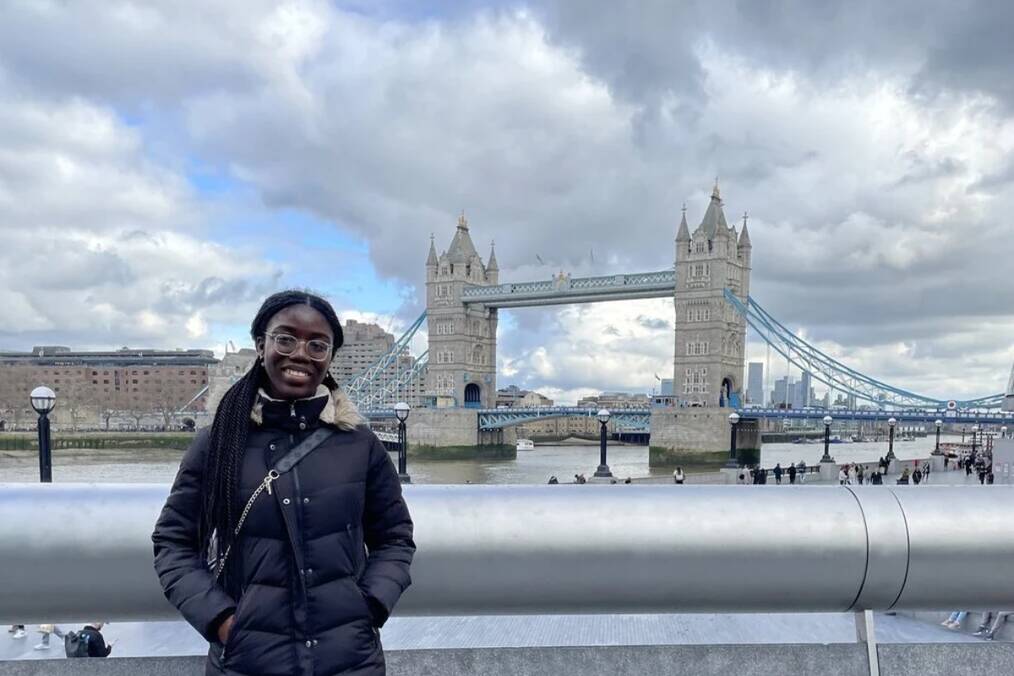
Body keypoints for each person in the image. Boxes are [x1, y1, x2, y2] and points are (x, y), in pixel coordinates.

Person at [152, 291, 415, 676]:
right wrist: (223, 622)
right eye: (286, 338)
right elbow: (173, 544)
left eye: (317, 344)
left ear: (329, 358)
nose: (301, 353)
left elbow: (394, 537)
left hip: (349, 659)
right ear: (261, 345)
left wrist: (370, 607)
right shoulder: (219, 441)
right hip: (247, 660)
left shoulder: (360, 443)